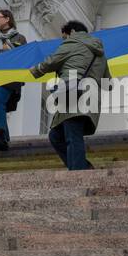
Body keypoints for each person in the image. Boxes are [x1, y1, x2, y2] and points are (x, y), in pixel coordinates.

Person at [28, 20, 107, 171]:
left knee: (72, 134)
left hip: (73, 96)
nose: (63, 40)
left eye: (64, 37)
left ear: (71, 32)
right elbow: (108, 83)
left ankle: (78, 172)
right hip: (91, 100)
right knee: (56, 136)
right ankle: (83, 167)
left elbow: (51, 61)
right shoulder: (101, 54)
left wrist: (34, 70)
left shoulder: (71, 42)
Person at [0, 8, 26, 151]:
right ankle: (2, 140)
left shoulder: (19, 38)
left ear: (7, 19)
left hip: (9, 78)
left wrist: (9, 50)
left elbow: (23, 56)